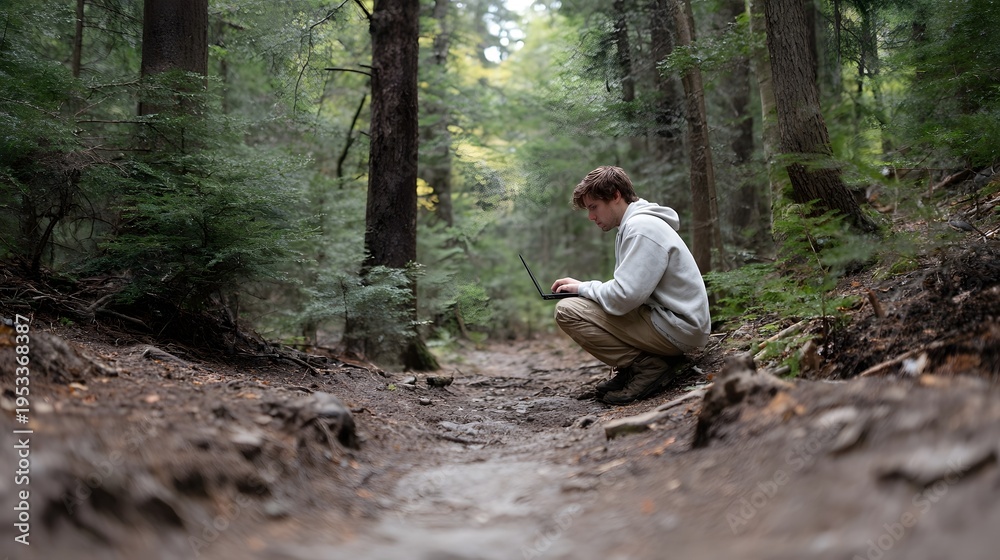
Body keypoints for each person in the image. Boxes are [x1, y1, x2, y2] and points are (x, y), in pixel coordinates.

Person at [551, 166, 711, 405]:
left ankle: (647, 367)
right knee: (581, 301)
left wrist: (582, 288)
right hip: (674, 323)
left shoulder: (641, 229)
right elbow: (630, 291)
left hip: (678, 328)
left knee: (568, 310)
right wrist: (584, 287)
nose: (591, 217)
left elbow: (624, 298)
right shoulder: (636, 226)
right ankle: (636, 367)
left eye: (594, 207)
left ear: (615, 195)